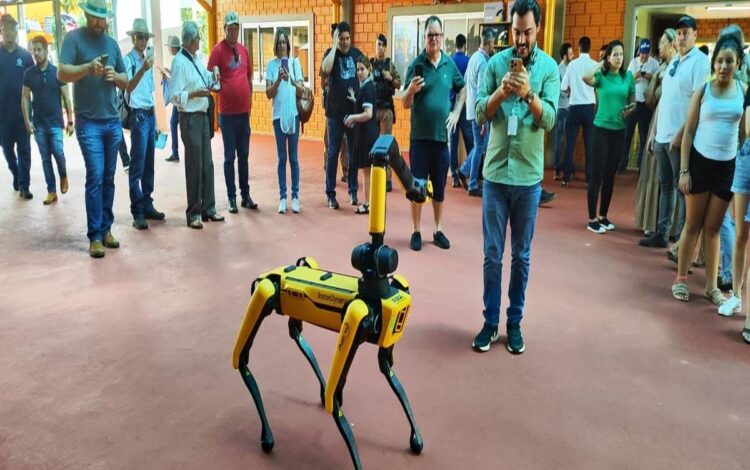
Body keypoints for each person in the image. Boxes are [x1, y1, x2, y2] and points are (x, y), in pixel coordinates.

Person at [472, 0, 559, 353]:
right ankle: (490, 322)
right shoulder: (495, 64)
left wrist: (527, 94)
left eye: (528, 32)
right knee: (492, 254)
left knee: (521, 256)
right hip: (494, 175)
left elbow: (549, 119)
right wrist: (501, 92)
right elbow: (479, 113)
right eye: (516, 32)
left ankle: (514, 323)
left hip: (527, 179)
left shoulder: (550, 69)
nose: (521, 40)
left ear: (538, 29)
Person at [671, 34, 745, 305]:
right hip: (700, 163)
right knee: (693, 225)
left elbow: (744, 133)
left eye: (730, 62)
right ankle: (680, 278)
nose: (724, 66)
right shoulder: (704, 91)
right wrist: (684, 171)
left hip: (727, 167)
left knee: (713, 229)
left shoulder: (743, 91)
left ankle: (711, 286)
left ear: (738, 64)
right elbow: (688, 131)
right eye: (720, 61)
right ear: (713, 64)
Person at [58, 0, 129, 258]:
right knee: (96, 174)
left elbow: (126, 81)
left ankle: (106, 229)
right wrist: (88, 69)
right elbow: (61, 73)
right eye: (96, 18)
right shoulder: (73, 39)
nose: (100, 23)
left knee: (109, 177)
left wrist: (114, 77)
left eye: (103, 19)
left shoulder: (111, 44)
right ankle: (94, 236)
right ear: (87, 16)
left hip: (112, 121)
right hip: (88, 122)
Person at [640, 16, 711, 249]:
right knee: (666, 186)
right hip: (661, 136)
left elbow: (698, 102)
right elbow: (664, 101)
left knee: (683, 191)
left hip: (680, 138)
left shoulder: (699, 62)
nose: (681, 37)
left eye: (685, 33)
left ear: (695, 35)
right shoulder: (673, 62)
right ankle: (662, 233)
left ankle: (682, 242)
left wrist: (681, 134)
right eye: (679, 33)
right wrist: (653, 134)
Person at [402, 15, 467, 251]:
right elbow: (405, 104)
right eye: (429, 35)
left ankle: (438, 229)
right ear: (425, 37)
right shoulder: (416, 64)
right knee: (417, 187)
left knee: (439, 188)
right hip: (420, 138)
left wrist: (457, 113)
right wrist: (410, 90)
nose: (433, 39)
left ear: (442, 37)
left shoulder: (449, 65)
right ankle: (416, 230)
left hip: (441, 140)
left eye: (437, 35)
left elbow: (462, 90)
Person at [170, 21, 224, 229]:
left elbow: (207, 79)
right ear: (191, 41)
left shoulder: (195, 60)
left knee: (207, 164)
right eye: (198, 38)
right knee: (194, 165)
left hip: (202, 116)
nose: (200, 41)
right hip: (190, 117)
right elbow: (174, 97)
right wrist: (193, 94)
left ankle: (208, 208)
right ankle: (193, 212)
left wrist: (215, 74)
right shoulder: (178, 62)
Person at [582, 40, 635, 234]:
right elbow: (585, 77)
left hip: (618, 130)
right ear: (608, 57)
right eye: (615, 54)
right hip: (600, 130)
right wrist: (600, 62)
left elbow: (632, 100)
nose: (619, 58)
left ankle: (603, 216)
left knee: (610, 176)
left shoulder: (627, 77)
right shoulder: (601, 77)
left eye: (621, 54)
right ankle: (592, 218)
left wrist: (631, 108)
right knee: (596, 176)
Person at [208, 10, 257, 214]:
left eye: (236, 28)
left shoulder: (244, 50)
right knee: (230, 157)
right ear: (225, 29)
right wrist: (216, 82)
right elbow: (210, 80)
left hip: (243, 114)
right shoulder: (218, 51)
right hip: (227, 115)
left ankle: (245, 194)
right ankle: (231, 198)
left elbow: (249, 78)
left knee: (244, 155)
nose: (234, 32)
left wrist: (249, 102)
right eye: (230, 28)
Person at [635, 29, 678, 236]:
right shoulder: (662, 69)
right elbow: (650, 99)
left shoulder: (678, 68)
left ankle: (671, 228)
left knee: (672, 183)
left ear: (672, 45)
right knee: (655, 174)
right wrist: (655, 79)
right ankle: (653, 224)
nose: (659, 46)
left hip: (673, 127)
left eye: (662, 43)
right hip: (657, 122)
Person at [21, 36, 73, 205]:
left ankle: (63, 174)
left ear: (46, 50)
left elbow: (66, 97)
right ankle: (51, 191)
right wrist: (27, 121)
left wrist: (71, 120)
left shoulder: (57, 72)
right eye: (33, 50)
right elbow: (25, 98)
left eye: (39, 49)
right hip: (39, 124)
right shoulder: (29, 74)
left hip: (56, 123)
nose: (36, 53)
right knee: (45, 159)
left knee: (58, 152)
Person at [123, 19, 165, 230]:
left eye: (145, 37)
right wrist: (143, 68)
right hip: (138, 116)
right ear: (133, 38)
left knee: (149, 164)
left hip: (148, 114)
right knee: (137, 166)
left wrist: (156, 120)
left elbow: (150, 94)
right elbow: (128, 87)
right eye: (139, 37)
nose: (142, 40)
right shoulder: (129, 60)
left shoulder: (148, 62)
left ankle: (147, 203)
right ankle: (137, 210)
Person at [321, 21, 362, 209]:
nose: (345, 42)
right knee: (332, 154)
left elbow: (366, 73)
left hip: (353, 113)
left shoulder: (356, 54)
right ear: (336, 39)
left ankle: (353, 191)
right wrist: (333, 46)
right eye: (341, 39)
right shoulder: (331, 55)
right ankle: (330, 194)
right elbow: (326, 69)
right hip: (335, 115)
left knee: (354, 153)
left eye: (347, 38)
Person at [265, 29, 303, 214]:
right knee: (282, 158)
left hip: (293, 115)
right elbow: (268, 94)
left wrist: (292, 80)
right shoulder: (271, 66)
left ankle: (295, 196)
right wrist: (279, 80)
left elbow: (302, 90)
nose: (281, 45)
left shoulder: (295, 63)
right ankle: (282, 197)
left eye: (284, 42)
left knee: (294, 158)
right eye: (278, 42)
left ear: (288, 44)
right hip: (278, 115)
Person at [455, 28, 495, 198]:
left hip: (470, 108)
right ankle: (470, 180)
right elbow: (482, 90)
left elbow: (465, 83)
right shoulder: (484, 62)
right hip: (478, 111)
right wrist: (485, 117)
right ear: (488, 42)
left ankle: (466, 173)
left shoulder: (473, 59)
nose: (494, 46)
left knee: (480, 146)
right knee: (481, 146)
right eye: (493, 43)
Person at [0, 14, 34, 198]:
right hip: (2, 115)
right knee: (7, 150)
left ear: (15, 31)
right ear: (1, 31)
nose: (8, 32)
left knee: (25, 151)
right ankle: (16, 173)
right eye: (5, 29)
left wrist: (32, 113)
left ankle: (24, 186)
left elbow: (34, 83)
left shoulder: (26, 56)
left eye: (11, 29)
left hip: (23, 114)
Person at [561, 36, 597, 187]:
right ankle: (589, 179)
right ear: (589, 48)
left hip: (574, 107)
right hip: (589, 108)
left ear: (579, 47)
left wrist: (573, 92)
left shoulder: (572, 65)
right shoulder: (595, 65)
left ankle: (566, 179)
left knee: (570, 144)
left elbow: (563, 87)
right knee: (590, 145)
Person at [344, 55, 378, 214]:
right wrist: (354, 99)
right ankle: (370, 202)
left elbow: (368, 114)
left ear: (369, 69)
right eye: (357, 69)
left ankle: (367, 203)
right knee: (368, 170)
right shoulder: (366, 87)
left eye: (362, 69)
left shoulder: (367, 88)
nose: (359, 72)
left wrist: (352, 118)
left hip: (366, 134)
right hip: (367, 132)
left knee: (366, 170)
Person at [622, 38, 659, 172]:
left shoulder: (655, 64)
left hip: (646, 104)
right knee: (627, 135)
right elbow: (626, 81)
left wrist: (651, 77)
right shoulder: (633, 62)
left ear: (650, 52)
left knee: (644, 137)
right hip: (633, 103)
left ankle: (641, 166)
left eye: (646, 53)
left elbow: (659, 82)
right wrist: (635, 76)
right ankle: (622, 164)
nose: (643, 56)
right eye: (641, 53)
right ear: (639, 52)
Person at [371, 33, 401, 192]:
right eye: (378, 45)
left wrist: (390, 78)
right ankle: (373, 175)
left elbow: (399, 83)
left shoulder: (390, 65)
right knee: (372, 144)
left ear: (385, 47)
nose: (380, 48)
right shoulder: (369, 64)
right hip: (372, 109)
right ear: (375, 46)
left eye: (382, 45)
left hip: (386, 111)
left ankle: (387, 178)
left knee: (385, 145)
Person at [322, 23, 349, 186]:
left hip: (346, 109)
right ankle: (328, 171)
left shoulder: (349, 55)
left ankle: (345, 171)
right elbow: (323, 75)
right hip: (331, 108)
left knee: (345, 143)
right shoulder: (329, 54)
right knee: (331, 144)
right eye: (336, 36)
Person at [448, 33, 473, 188]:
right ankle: (471, 172)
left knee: (453, 141)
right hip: (464, 105)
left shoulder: (450, 61)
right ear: (464, 46)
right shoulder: (469, 61)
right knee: (471, 140)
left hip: (451, 105)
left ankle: (454, 176)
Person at [553, 42, 573, 181]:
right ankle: (556, 169)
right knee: (559, 140)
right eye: (571, 53)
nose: (573, 56)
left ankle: (567, 168)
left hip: (570, 107)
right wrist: (569, 91)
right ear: (565, 56)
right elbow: (559, 88)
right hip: (561, 108)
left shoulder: (571, 68)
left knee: (569, 140)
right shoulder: (558, 69)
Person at [163, 35, 181, 162]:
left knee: (173, 123)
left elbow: (176, 81)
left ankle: (175, 152)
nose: (169, 49)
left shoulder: (177, 60)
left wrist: (167, 76)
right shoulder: (180, 58)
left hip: (179, 97)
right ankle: (175, 151)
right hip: (181, 97)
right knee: (175, 123)